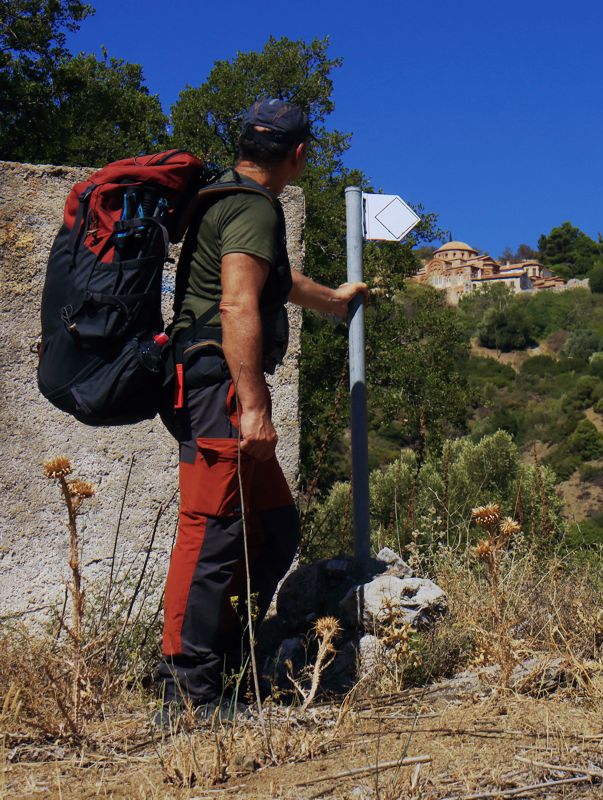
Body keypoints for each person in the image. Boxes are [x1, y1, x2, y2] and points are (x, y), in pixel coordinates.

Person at [156, 98, 367, 724]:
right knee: (212, 531)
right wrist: (253, 407)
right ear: (300, 154)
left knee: (273, 531)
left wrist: (334, 298)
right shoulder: (250, 206)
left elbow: (270, 278)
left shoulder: (238, 200)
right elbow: (238, 306)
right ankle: (186, 690)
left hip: (217, 382)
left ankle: (227, 660)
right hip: (219, 385)